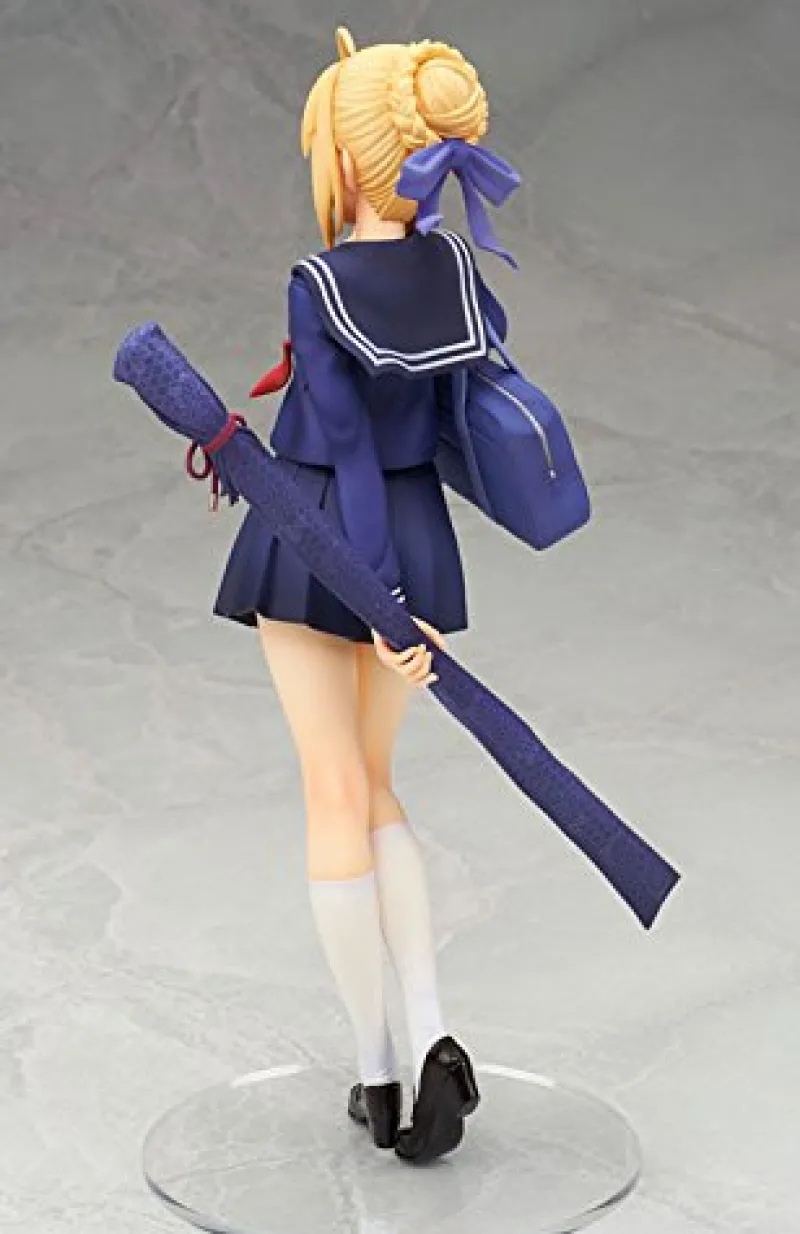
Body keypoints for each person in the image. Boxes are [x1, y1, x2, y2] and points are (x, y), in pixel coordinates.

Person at [213, 26, 515, 1164]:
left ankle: (381, 1070)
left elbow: (339, 442)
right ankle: (436, 1034)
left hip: (316, 538)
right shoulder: (453, 273)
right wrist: (401, 583)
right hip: (418, 532)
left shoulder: (320, 282)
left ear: (345, 157)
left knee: (334, 791)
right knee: (379, 784)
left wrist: (371, 587)